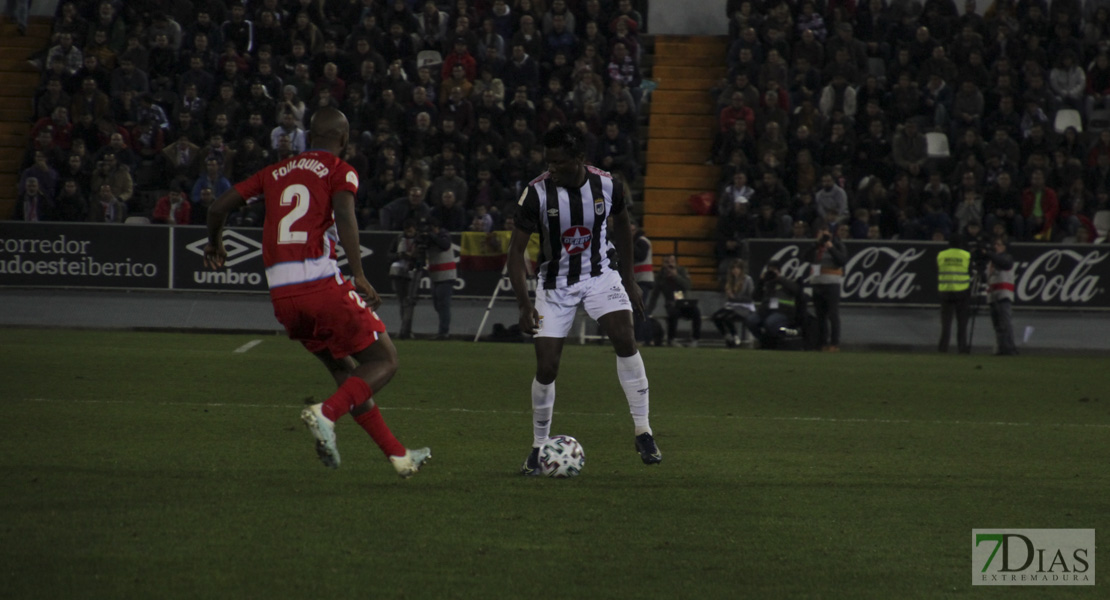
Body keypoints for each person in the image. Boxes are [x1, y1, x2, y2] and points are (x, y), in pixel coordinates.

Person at [202, 107, 430, 479]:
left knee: (346, 373)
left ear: (310, 135)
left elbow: (217, 207)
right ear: (343, 139)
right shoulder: (341, 170)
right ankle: (324, 414)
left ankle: (398, 456)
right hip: (320, 285)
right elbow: (344, 213)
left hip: (283, 297)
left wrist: (215, 243)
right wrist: (358, 273)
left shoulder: (275, 171)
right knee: (385, 360)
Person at [506, 124, 660, 474]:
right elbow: (515, 252)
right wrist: (523, 303)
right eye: (548, 162)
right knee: (547, 366)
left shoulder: (608, 185)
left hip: (599, 274)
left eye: (559, 163)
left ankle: (643, 430)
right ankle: (538, 447)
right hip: (555, 282)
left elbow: (622, 224)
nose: (552, 169)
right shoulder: (536, 194)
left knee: (625, 337)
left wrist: (628, 278)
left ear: (579, 158)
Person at [803, 219, 847, 351]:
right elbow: (805, 257)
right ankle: (822, 342)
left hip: (832, 284)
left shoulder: (837, 245)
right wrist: (816, 245)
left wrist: (830, 246)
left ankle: (834, 343)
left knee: (833, 314)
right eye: (820, 232)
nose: (823, 234)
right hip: (817, 284)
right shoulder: (816, 247)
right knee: (820, 315)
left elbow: (842, 260)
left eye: (825, 231)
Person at [647, 255, 702, 347]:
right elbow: (654, 295)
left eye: (671, 262)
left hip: (683, 302)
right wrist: (648, 311)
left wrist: (676, 276)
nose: (669, 265)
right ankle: (671, 339)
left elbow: (688, 286)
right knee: (673, 313)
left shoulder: (681, 271)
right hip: (671, 303)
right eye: (667, 262)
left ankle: (695, 339)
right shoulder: (660, 276)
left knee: (696, 312)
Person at [746, 259, 801, 347]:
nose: (771, 272)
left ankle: (781, 337)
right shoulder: (766, 283)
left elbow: (796, 290)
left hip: (783, 312)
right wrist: (761, 282)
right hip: (765, 312)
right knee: (751, 321)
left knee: (770, 323)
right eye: (769, 269)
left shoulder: (786, 282)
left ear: (779, 271)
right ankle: (763, 341)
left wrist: (779, 279)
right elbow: (755, 297)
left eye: (774, 269)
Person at [937, 233, 972, 354]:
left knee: (946, 323)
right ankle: (962, 348)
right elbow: (970, 272)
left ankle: (943, 348)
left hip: (945, 291)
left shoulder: (941, 255)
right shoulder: (966, 255)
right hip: (962, 292)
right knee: (962, 323)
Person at [711, 259, 756, 348]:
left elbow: (750, 297)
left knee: (728, 318)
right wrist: (729, 296)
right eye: (733, 268)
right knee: (716, 317)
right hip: (732, 306)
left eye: (737, 268)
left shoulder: (747, 280)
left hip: (744, 307)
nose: (735, 270)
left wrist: (735, 298)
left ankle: (735, 337)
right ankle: (727, 337)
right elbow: (730, 299)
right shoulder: (730, 280)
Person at [424, 218, 456, 339]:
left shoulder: (444, 235)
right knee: (438, 305)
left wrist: (432, 236)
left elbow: (445, 245)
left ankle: (443, 332)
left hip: (446, 275)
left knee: (443, 305)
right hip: (435, 276)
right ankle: (443, 329)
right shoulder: (431, 239)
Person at [987, 236, 1018, 356]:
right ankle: (1001, 347)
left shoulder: (1006, 258)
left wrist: (988, 253)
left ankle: (1010, 348)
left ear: (1005, 247)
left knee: (1005, 323)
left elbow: (1004, 263)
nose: (996, 247)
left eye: (998, 244)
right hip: (993, 295)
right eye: (995, 244)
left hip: (1003, 294)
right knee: (997, 325)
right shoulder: (992, 261)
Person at [630, 219, 655, 345]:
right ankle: (646, 338)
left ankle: (642, 338)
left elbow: (640, 256)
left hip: (643, 280)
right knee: (640, 309)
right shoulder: (640, 241)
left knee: (639, 309)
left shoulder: (642, 242)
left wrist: (628, 242)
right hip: (641, 280)